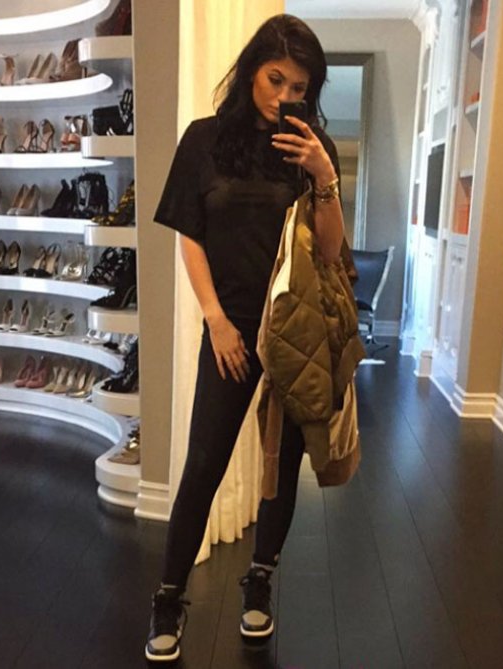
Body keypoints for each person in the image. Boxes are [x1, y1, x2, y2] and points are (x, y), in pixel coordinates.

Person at [146, 14, 347, 662]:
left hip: (294, 330)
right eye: (275, 79)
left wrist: (324, 174)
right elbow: (191, 234)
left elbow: (332, 251)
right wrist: (215, 319)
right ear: (252, 70)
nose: (284, 95)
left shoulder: (312, 146)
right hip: (230, 326)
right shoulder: (204, 140)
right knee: (204, 462)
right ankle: (168, 596)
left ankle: (259, 580)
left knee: (281, 465)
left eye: (299, 87)